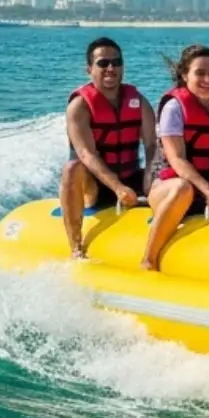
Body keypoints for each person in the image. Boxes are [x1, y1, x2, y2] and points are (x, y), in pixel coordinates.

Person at [141, 43, 209, 271]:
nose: (208, 80)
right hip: (169, 187)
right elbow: (177, 159)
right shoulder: (174, 107)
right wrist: (208, 191)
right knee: (182, 188)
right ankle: (148, 259)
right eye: (200, 73)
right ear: (184, 75)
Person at [60, 37, 155, 260]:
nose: (111, 68)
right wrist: (118, 188)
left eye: (116, 62)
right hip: (95, 186)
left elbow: (152, 146)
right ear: (89, 69)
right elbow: (86, 154)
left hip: (131, 176)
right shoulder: (79, 106)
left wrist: (151, 180)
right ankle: (76, 246)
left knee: (172, 178)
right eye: (103, 63)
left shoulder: (138, 101)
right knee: (72, 169)